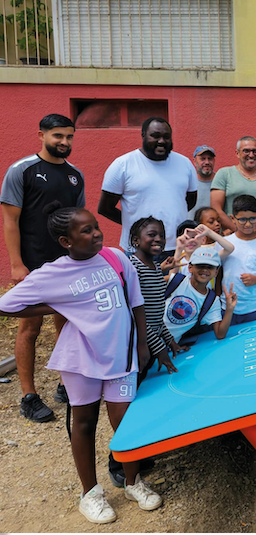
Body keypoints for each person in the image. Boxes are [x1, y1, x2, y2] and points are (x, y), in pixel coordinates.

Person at [0, 204, 170, 524]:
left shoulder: (115, 257)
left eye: (96, 227)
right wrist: (54, 305)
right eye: (86, 231)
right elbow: (7, 305)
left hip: (121, 355)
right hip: (81, 360)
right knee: (84, 423)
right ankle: (90, 493)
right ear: (66, 241)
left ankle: (133, 482)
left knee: (127, 421)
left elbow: (136, 302)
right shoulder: (54, 272)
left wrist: (143, 345)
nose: (96, 234)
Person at [1, 113, 85, 422]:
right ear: (41, 135)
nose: (64, 142)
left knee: (66, 322)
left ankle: (65, 382)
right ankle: (28, 395)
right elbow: (9, 220)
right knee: (29, 327)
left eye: (69, 137)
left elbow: (78, 221)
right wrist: (17, 264)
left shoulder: (75, 175)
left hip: (65, 265)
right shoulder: (21, 171)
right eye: (58, 136)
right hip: (33, 265)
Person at [99, 117, 197, 258]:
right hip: (139, 250)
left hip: (178, 248)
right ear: (143, 135)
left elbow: (189, 201)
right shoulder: (123, 165)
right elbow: (105, 208)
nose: (161, 141)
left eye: (166, 137)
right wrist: (135, 226)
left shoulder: (185, 164)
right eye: (155, 136)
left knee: (177, 281)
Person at [127, 217, 182, 381]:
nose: (158, 239)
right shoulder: (133, 268)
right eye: (152, 234)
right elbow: (136, 317)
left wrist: (169, 340)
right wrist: (159, 348)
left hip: (153, 342)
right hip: (140, 344)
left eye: (162, 235)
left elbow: (155, 315)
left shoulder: (157, 267)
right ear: (136, 240)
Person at [221, 195, 256, 324]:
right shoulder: (225, 243)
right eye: (242, 220)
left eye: (253, 219)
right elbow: (218, 274)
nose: (248, 224)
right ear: (233, 218)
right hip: (228, 307)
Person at [163, 247, 237, 342]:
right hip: (144, 338)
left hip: (167, 347)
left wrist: (229, 309)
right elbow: (141, 284)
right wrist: (160, 269)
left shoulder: (212, 300)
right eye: (200, 266)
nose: (205, 270)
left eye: (210, 267)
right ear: (190, 268)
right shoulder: (174, 280)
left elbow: (220, 333)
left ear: (216, 272)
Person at [210, 136, 256, 234]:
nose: (251, 155)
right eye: (246, 151)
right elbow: (216, 209)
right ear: (237, 153)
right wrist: (239, 231)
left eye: (255, 151)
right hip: (231, 237)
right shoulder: (225, 174)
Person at [187, 145, 216, 219]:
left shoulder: (221, 182)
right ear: (194, 161)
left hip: (215, 230)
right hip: (191, 228)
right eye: (202, 159)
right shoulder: (188, 182)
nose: (207, 162)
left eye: (210, 159)